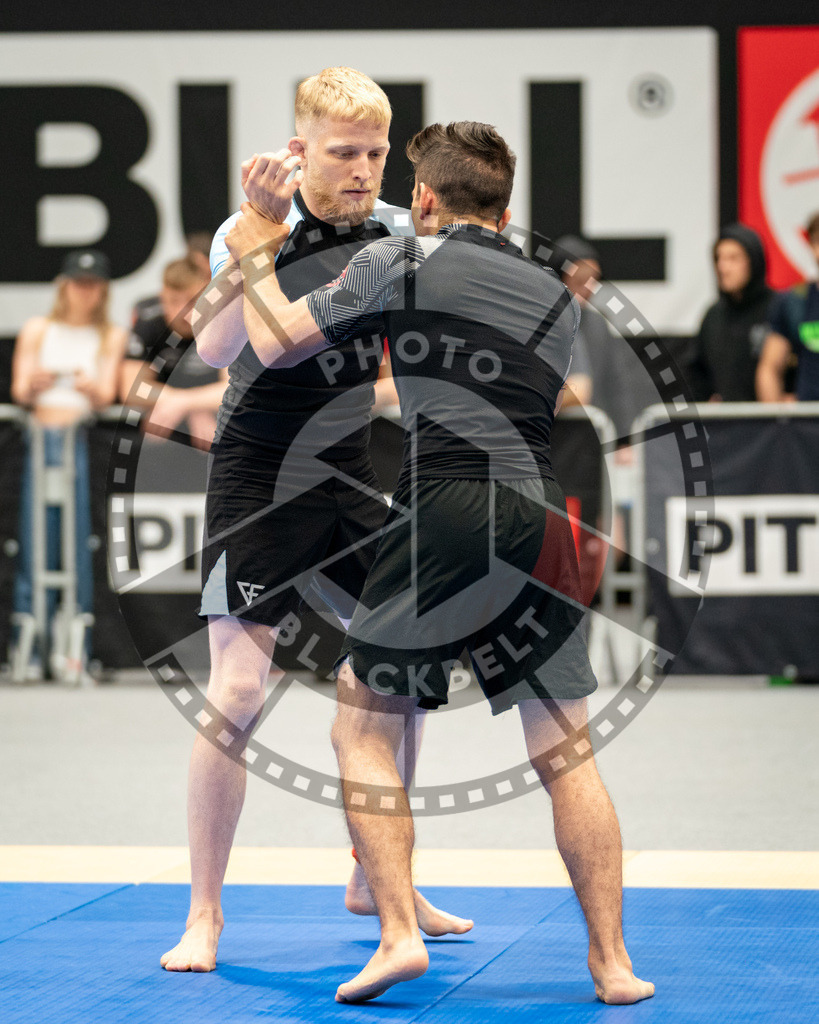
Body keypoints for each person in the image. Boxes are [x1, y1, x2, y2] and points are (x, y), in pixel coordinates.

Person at [224, 122, 654, 1006]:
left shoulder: (400, 262)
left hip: (444, 501)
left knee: (360, 726)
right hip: (542, 514)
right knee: (565, 748)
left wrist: (260, 239)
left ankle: (393, 934)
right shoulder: (555, 296)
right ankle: (612, 965)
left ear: (422, 199)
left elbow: (272, 344)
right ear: (506, 208)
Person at [160, 67, 470, 974]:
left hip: (341, 470)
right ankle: (205, 914)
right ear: (299, 152)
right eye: (343, 153)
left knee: (399, 673)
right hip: (257, 471)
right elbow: (218, 349)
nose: (363, 169)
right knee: (240, 693)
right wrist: (257, 239)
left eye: (376, 152)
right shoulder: (247, 224)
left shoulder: (387, 232)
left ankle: (379, 881)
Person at [10, 249, 127, 671]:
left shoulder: (110, 334)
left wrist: (88, 387)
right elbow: (21, 388)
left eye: (93, 285)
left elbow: (107, 393)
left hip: (81, 443)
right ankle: (30, 638)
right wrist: (37, 383)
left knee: (78, 540)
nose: (85, 293)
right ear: (65, 286)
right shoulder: (38, 329)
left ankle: (77, 643)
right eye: (79, 284)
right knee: (35, 537)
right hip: (41, 441)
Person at [120, 254, 228, 450]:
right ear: (162, 297)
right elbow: (131, 387)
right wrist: (190, 406)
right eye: (173, 301)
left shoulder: (224, 321)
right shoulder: (149, 321)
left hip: (215, 430)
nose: (183, 312)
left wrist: (184, 404)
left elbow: (230, 390)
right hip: (161, 433)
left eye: (191, 301)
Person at [687, 224, 774, 402]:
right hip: (725, 425)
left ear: (754, 261)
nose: (723, 268)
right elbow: (697, 372)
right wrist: (705, 402)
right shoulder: (714, 315)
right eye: (719, 258)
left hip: (774, 424)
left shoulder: (777, 308)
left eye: (733, 258)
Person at [756, 211, 819, 402]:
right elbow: (770, 369)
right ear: (811, 246)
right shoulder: (794, 301)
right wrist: (778, 423)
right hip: (809, 425)